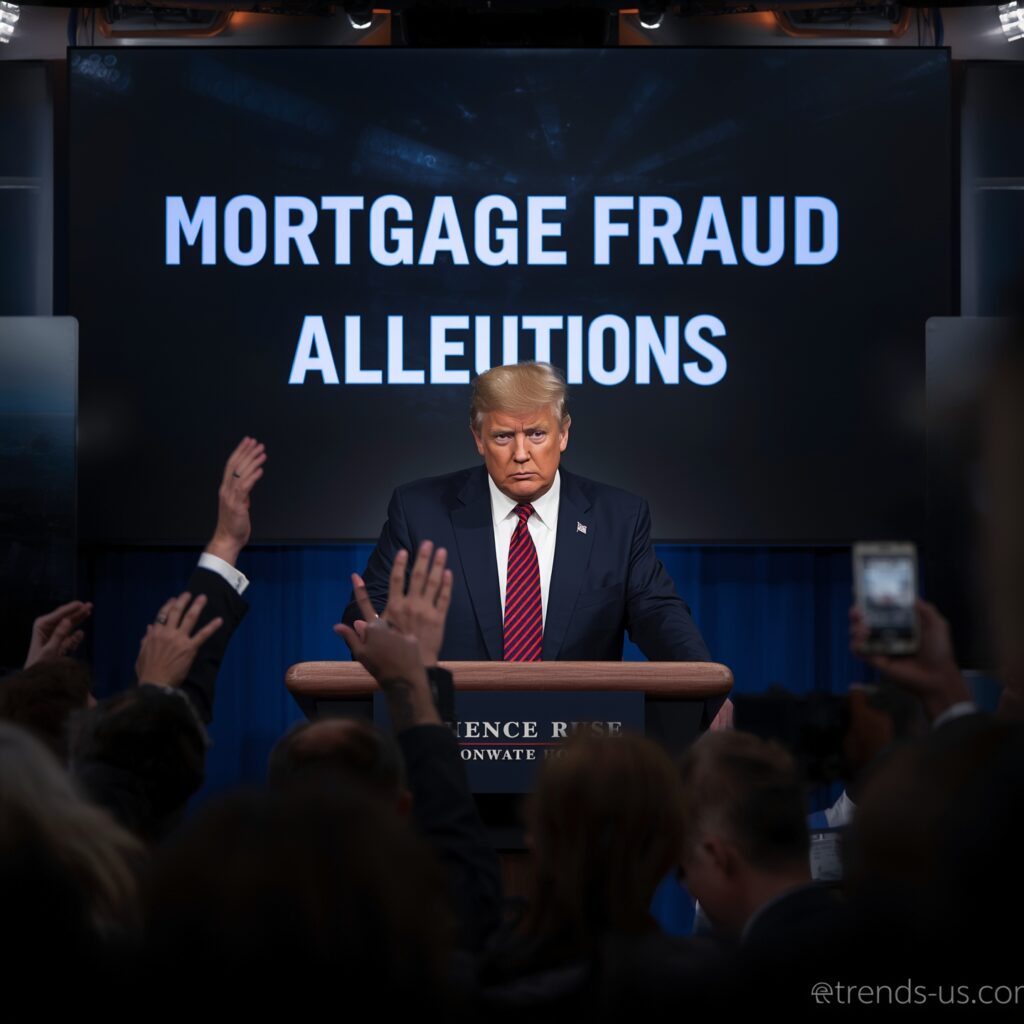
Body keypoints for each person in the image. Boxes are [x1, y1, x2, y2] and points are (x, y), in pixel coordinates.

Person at [342, 362, 720, 721]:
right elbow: (371, 609)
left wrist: (708, 690)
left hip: (578, 740)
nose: (521, 454)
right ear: (478, 438)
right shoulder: (420, 511)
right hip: (453, 731)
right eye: (503, 436)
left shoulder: (618, 518)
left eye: (536, 434)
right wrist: (380, 631)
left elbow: (659, 614)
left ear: (564, 433)